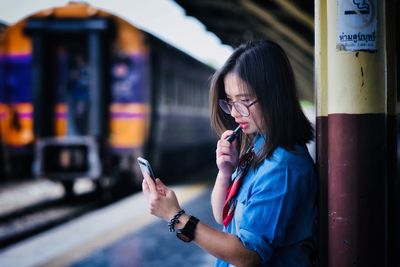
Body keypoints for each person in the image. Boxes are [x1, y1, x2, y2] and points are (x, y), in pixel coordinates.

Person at [142, 40, 317, 266]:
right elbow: (222, 216)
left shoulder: (282, 168)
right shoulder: (258, 147)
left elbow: (247, 255)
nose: (235, 113)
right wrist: (225, 172)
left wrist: (176, 217)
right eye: (230, 102)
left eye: (244, 101)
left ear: (274, 96)